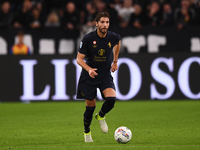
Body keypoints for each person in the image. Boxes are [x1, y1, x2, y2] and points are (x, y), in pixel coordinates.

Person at [76, 12, 121, 142]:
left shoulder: (113, 37)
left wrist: (115, 61)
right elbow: (79, 59)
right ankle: (87, 132)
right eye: (102, 22)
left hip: (104, 75)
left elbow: (117, 42)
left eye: (107, 22)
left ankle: (101, 116)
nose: (105, 25)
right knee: (90, 107)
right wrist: (89, 69)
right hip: (89, 76)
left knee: (111, 99)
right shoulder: (88, 39)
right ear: (96, 24)